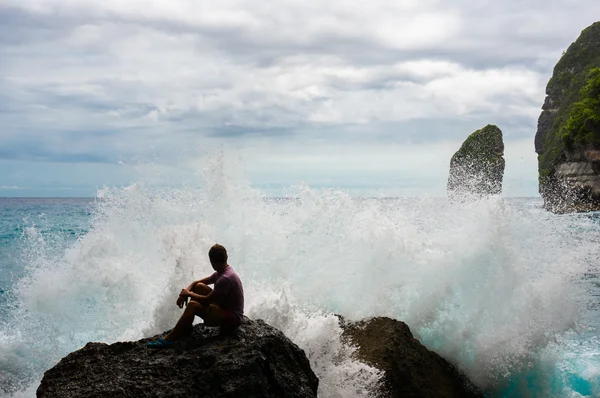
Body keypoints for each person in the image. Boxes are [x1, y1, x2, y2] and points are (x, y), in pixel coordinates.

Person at [147, 243, 244, 348]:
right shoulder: (223, 271)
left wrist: (188, 294)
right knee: (199, 286)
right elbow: (195, 283)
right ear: (226, 257)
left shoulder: (225, 278)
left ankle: (169, 339)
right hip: (225, 308)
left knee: (192, 305)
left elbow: (207, 300)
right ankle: (186, 326)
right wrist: (185, 292)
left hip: (232, 319)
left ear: (212, 261)